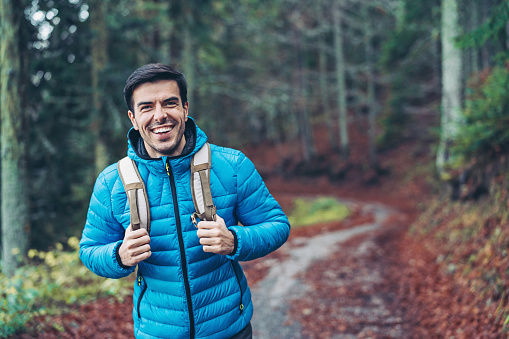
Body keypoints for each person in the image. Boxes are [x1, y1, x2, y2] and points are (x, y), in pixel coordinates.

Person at [79, 63, 290, 339]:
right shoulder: (112, 182)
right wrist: (119, 255)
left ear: (185, 109)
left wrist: (234, 241)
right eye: (146, 107)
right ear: (133, 118)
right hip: (156, 332)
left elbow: (277, 225)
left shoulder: (231, 165)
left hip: (228, 329)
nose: (160, 115)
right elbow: (90, 249)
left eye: (170, 103)